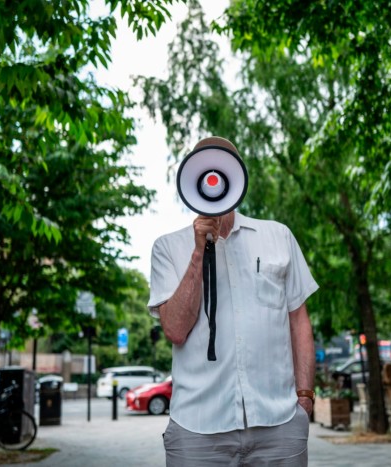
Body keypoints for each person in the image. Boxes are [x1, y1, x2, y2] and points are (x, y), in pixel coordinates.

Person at [148, 136, 319, 466]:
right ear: (192, 179)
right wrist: (199, 251)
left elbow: (299, 320)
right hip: (197, 428)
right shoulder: (167, 248)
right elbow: (175, 330)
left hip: (279, 422)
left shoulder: (277, 236)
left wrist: (305, 397)